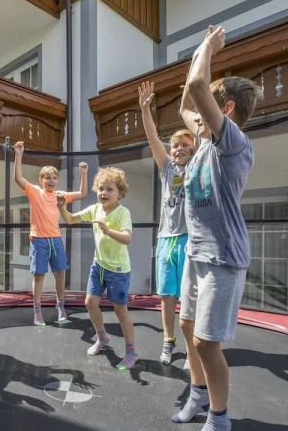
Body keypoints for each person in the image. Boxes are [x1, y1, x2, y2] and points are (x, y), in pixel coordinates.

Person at [171, 25, 264, 431]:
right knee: (187, 327)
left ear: (224, 109)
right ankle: (197, 395)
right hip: (197, 253)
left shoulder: (233, 144)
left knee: (207, 342)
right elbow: (185, 102)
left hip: (223, 258)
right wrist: (198, 51)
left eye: (209, 104)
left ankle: (219, 420)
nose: (198, 112)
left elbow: (195, 87)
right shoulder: (204, 140)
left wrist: (209, 47)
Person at [138, 80, 196, 365]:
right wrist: (145, 110)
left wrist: (193, 99)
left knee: (189, 297)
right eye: (175, 145)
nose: (178, 148)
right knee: (167, 296)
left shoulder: (197, 166)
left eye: (185, 145)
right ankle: (168, 341)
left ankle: (192, 348)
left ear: (193, 150)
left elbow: (205, 136)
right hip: (165, 239)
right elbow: (152, 138)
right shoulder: (167, 168)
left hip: (189, 238)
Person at [57, 167, 137, 370]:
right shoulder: (95, 209)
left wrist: (108, 231)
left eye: (110, 189)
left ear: (120, 192)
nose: (104, 193)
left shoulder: (123, 213)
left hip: (118, 270)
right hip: (99, 266)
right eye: (101, 188)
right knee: (90, 303)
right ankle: (102, 338)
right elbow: (70, 219)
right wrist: (61, 207)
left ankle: (131, 351)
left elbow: (127, 238)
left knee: (120, 311)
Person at [13, 140, 88, 326]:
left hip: (55, 240)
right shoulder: (35, 192)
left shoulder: (60, 195)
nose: (51, 181)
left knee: (60, 274)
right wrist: (18, 155)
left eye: (54, 178)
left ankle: (61, 307)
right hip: (38, 240)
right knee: (39, 276)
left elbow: (82, 193)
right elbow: (18, 179)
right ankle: (37, 311)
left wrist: (83, 173)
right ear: (41, 180)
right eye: (47, 178)